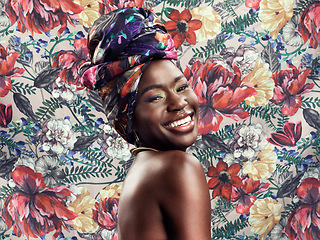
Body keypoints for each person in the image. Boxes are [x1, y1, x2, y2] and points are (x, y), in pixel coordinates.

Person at [80, 7, 211, 240]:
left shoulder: (144, 168)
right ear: (128, 115)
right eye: (155, 97)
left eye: (181, 87)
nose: (178, 103)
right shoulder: (177, 167)